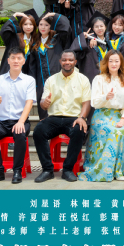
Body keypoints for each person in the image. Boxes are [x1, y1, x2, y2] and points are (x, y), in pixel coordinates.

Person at [33, 50, 91, 183]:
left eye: (70, 60)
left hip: (74, 118)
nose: (67, 62)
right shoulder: (51, 80)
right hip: (54, 117)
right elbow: (43, 103)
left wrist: (82, 117)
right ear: (60, 61)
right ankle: (47, 170)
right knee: (38, 131)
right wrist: (44, 103)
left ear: (75, 62)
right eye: (64, 60)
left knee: (79, 130)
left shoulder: (83, 79)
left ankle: (67, 170)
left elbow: (87, 102)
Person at [78, 50, 124, 182]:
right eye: (111, 61)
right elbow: (94, 102)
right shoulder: (99, 79)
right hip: (101, 116)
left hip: (118, 116)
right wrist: (106, 97)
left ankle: (120, 170)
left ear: (121, 63)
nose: (114, 64)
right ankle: (106, 170)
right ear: (106, 63)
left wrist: (123, 119)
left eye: (116, 61)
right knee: (113, 132)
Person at [0, 47, 36, 184]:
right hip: (0, 122)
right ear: (8, 60)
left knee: (19, 134)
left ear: (24, 61)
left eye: (19, 58)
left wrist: (21, 122)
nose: (16, 61)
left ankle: (17, 170)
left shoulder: (29, 80)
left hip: (20, 120)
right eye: (13, 58)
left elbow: (29, 103)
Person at [28, 11, 70, 121]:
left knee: (59, 108)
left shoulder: (57, 40)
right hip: (41, 82)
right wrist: (33, 85)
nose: (43, 27)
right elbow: (32, 67)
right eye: (41, 24)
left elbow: (66, 26)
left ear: (51, 26)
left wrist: (54, 15)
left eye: (46, 25)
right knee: (43, 111)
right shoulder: (35, 43)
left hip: (58, 80)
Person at [69, 12, 110, 83]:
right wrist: (82, 38)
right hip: (92, 79)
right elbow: (75, 54)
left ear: (105, 27)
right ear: (93, 29)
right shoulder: (88, 43)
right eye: (96, 27)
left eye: (101, 26)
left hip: (108, 78)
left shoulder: (110, 42)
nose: (99, 28)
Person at [0, 9, 37, 76]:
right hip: (12, 73)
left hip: (27, 74)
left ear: (34, 26)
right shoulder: (14, 38)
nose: (28, 27)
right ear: (21, 25)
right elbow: (3, 30)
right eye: (25, 24)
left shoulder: (35, 40)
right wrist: (15, 15)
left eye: (31, 24)